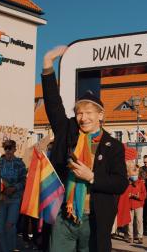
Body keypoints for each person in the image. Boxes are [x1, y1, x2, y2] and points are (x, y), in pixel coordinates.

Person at [42, 46, 128, 252]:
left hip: (94, 220)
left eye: (89, 112)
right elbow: (53, 105)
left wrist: (92, 177)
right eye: (79, 113)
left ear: (101, 115)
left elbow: (120, 183)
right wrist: (47, 63)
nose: (83, 117)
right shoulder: (68, 131)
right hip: (65, 216)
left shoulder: (113, 146)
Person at [0, 139, 27, 252]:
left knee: (10, 226)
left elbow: (24, 181)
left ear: (15, 149)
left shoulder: (20, 163)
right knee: (1, 229)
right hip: (2, 199)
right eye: (6, 148)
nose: (8, 150)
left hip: (15, 199)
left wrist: (14, 188)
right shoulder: (0, 162)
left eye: (10, 148)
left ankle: (11, 249)